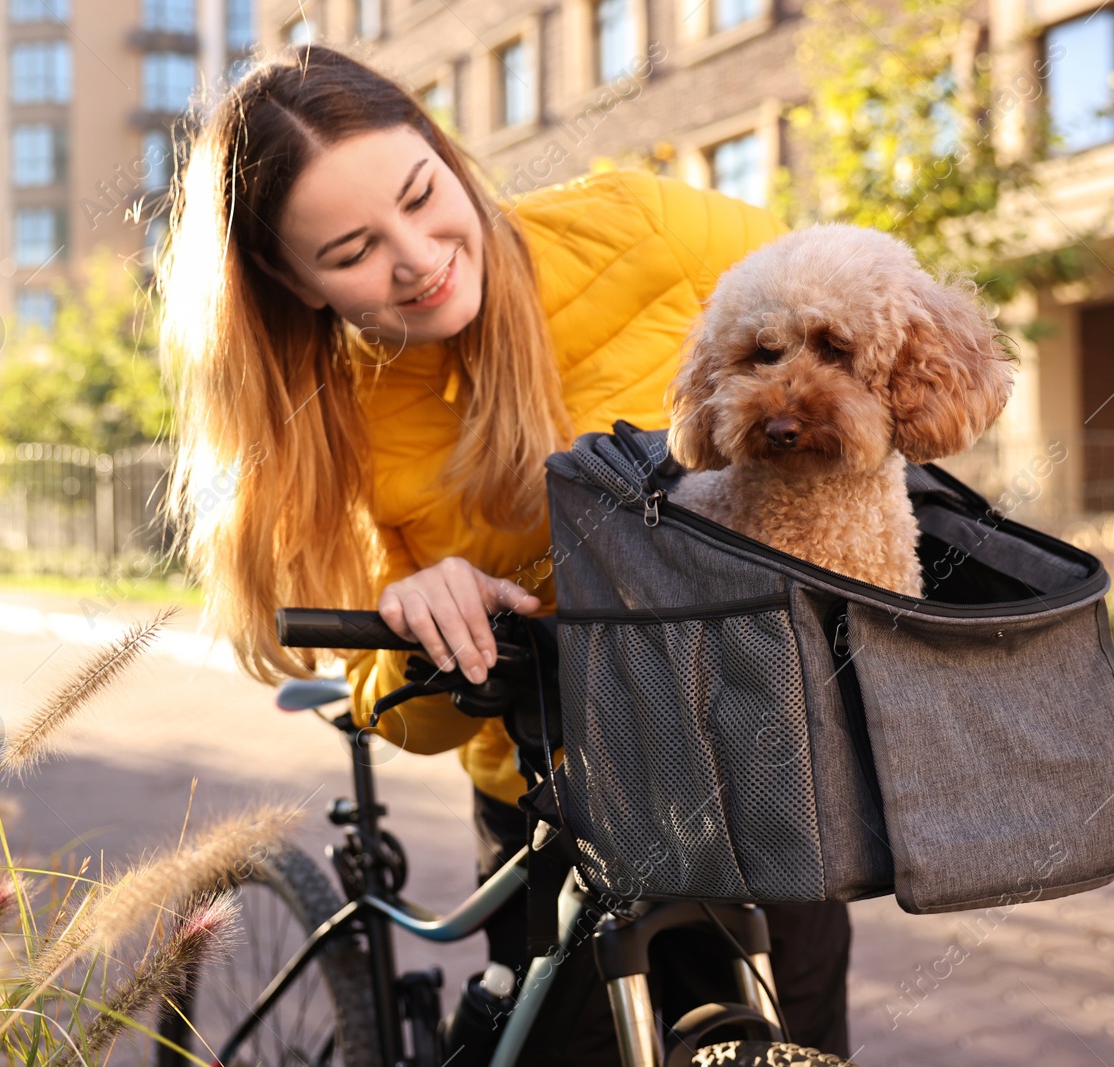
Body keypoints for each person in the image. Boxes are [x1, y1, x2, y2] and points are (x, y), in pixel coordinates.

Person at [160, 42, 852, 1062]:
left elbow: (856, 325)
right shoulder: (328, 425)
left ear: (444, 150)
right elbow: (401, 709)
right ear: (286, 278)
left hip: (762, 754)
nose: (418, 256)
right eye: (351, 252)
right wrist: (419, 618)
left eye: (419, 193)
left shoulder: (641, 225)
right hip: (550, 784)